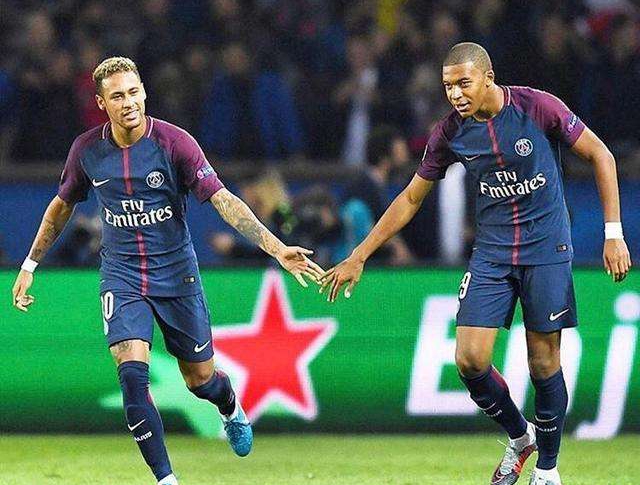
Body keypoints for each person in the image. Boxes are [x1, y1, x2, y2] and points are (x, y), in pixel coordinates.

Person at [321, 42, 632, 485]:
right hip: (492, 252)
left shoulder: (537, 107)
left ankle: (547, 468)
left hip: (547, 247)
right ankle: (520, 437)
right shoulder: (449, 132)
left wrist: (613, 233)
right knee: (469, 360)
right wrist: (359, 255)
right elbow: (410, 198)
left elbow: (601, 154)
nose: (455, 94)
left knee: (543, 362)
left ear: (488, 78)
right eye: (448, 86)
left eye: (463, 84)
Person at [11, 57, 323, 485]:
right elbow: (61, 207)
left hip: (177, 275)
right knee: (131, 375)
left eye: (133, 92)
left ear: (144, 92)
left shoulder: (175, 144)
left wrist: (276, 248)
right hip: (121, 275)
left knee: (200, 379)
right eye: (117, 96)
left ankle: (229, 404)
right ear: (102, 103)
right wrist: (30, 264)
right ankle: (166, 479)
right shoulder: (87, 151)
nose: (128, 102)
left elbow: (223, 200)